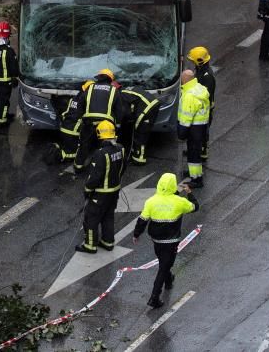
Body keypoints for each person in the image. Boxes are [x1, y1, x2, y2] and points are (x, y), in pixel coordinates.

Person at [132, 173, 199, 309]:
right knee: (164, 266)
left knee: (164, 262)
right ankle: (154, 297)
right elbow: (195, 207)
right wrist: (189, 193)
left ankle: (168, 279)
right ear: (173, 186)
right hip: (171, 241)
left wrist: (136, 234)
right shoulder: (179, 202)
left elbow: (142, 220)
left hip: (156, 240)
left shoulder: (151, 201)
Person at [75, 121, 125, 254]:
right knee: (108, 216)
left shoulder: (100, 153)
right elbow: (123, 168)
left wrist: (87, 189)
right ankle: (108, 242)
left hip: (101, 193)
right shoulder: (121, 149)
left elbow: (95, 176)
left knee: (91, 217)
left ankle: (90, 245)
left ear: (99, 134)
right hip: (114, 190)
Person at [72, 69, 125, 173]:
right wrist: (118, 124)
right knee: (106, 146)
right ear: (110, 79)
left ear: (99, 78)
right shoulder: (114, 90)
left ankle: (78, 166)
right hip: (106, 124)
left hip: (89, 122)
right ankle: (103, 168)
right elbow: (119, 109)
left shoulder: (90, 88)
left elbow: (80, 103)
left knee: (84, 145)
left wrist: (80, 118)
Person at [177, 69, 211, 188]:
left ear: (185, 80)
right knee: (195, 152)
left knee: (193, 153)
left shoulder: (189, 96)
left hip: (193, 128)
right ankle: (194, 173)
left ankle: (196, 179)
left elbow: (186, 117)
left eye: (182, 79)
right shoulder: (200, 88)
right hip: (201, 126)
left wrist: (181, 133)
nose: (181, 81)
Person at [187, 46, 215, 161]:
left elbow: (205, 95)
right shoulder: (199, 71)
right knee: (195, 131)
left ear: (200, 62)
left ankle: (202, 151)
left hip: (204, 109)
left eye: (193, 61)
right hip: (198, 107)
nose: (192, 63)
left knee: (202, 131)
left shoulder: (207, 77)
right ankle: (196, 148)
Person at [121, 86, 159, 165]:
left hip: (147, 108)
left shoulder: (120, 96)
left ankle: (139, 160)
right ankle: (135, 153)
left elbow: (126, 113)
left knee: (140, 134)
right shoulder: (125, 90)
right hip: (152, 104)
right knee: (140, 131)